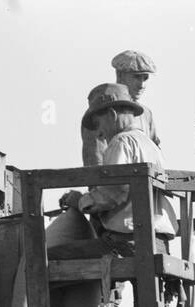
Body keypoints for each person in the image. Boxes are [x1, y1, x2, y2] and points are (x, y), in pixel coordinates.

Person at [60, 85, 177, 257]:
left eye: (98, 125)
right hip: (159, 244)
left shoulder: (120, 143)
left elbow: (113, 192)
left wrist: (80, 201)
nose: (99, 133)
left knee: (52, 259)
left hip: (127, 243)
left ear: (112, 115)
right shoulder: (151, 146)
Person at [81, 50, 160, 167]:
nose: (142, 85)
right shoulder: (100, 110)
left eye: (145, 78)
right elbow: (95, 158)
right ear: (120, 75)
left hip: (141, 181)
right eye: (137, 77)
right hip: (110, 179)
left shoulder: (146, 114)